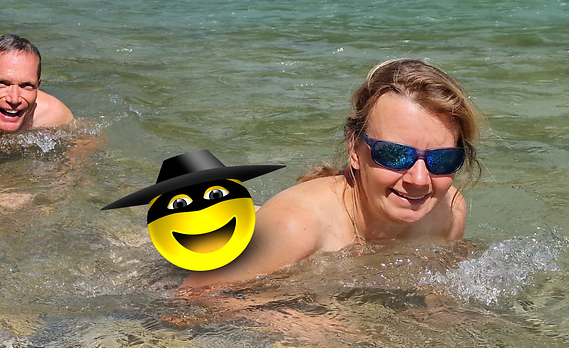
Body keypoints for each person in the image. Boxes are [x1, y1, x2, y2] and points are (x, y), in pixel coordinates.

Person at [181, 58, 480, 290]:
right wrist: (299, 320)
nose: (419, 179)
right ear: (354, 149)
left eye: (442, 160)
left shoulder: (447, 212)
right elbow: (188, 301)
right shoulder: (294, 227)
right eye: (394, 154)